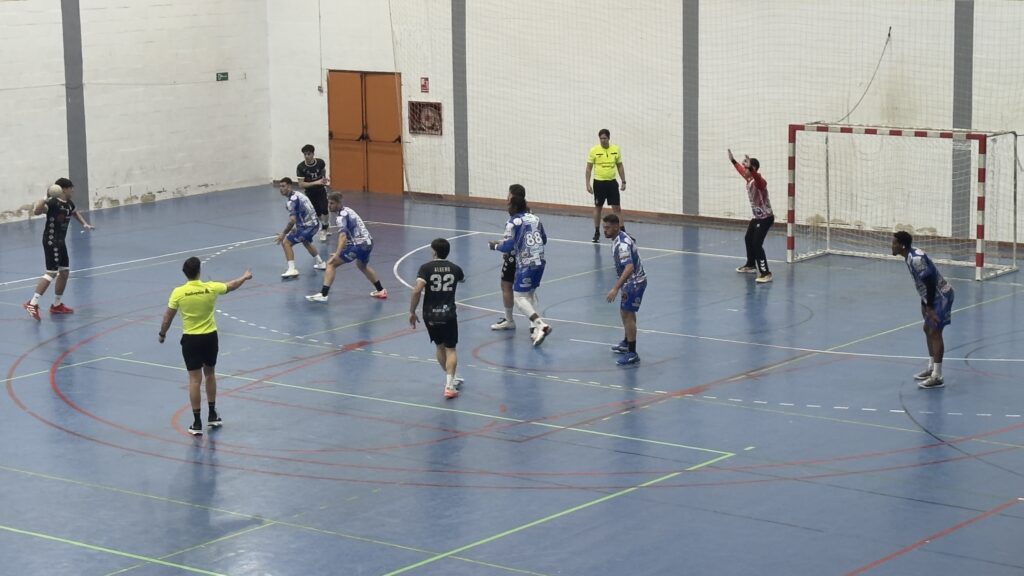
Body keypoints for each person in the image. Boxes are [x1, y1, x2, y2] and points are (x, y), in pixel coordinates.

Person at [159, 257, 252, 435]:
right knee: (210, 375)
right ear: (199, 271)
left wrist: (162, 334)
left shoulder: (178, 292)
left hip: (191, 340)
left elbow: (167, 317)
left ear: (185, 273)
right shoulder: (211, 287)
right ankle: (212, 415)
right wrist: (245, 277)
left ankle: (196, 422)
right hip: (210, 338)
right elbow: (232, 285)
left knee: (194, 380)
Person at [23, 178, 94, 320]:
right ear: (63, 189)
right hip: (51, 241)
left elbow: (74, 212)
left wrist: (84, 224)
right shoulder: (52, 203)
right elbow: (37, 211)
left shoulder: (69, 203)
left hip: (61, 242)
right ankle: (32, 303)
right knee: (51, 273)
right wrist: (45, 198)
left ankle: (56, 305)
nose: (73, 190)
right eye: (71, 188)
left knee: (65, 272)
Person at [891, 231, 955, 389]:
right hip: (931, 297)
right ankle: (931, 368)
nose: (892, 246)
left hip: (941, 297)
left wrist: (930, 307)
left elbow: (931, 283)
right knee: (927, 329)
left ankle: (937, 376)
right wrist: (924, 301)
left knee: (935, 332)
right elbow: (925, 282)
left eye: (894, 243)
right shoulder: (910, 255)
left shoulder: (916, 260)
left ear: (902, 245)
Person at [488, 192, 552, 346]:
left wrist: (494, 246)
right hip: (540, 261)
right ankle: (535, 331)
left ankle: (541, 325)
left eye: (509, 205)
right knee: (530, 294)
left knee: (518, 297)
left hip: (526, 263)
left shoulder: (512, 222)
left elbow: (507, 246)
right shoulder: (535, 218)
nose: (507, 208)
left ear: (515, 206)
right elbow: (544, 239)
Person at [409, 238, 465, 399]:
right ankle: (450, 385)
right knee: (451, 349)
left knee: (440, 347)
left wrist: (412, 312)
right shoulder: (455, 268)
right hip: (448, 314)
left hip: (430, 315)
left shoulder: (425, 268)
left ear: (434, 252)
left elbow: (417, 290)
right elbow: (462, 279)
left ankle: (451, 379)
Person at [306, 192, 388, 302]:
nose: (329, 206)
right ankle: (381, 290)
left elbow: (343, 237)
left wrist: (337, 253)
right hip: (368, 243)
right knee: (362, 265)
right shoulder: (349, 210)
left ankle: (323, 294)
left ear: (339, 203)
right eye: (328, 203)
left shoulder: (340, 217)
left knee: (331, 264)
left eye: (332, 203)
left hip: (358, 245)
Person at [603, 214, 647, 365]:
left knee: (627, 314)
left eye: (608, 227)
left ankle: (632, 352)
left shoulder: (621, 244)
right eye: (604, 227)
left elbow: (629, 267)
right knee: (626, 312)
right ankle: (627, 341)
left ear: (616, 227)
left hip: (634, 283)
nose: (605, 231)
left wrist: (615, 288)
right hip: (631, 282)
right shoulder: (620, 237)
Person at [728, 148, 773, 283]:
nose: (743, 169)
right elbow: (740, 170)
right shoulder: (748, 178)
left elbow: (759, 181)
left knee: (757, 244)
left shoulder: (760, 182)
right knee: (748, 239)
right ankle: (751, 265)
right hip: (757, 218)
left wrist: (752, 170)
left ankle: (766, 273)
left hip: (765, 218)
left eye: (746, 167)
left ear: (753, 169)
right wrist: (733, 161)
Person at [490, 184, 527, 331]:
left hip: (514, 256)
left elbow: (511, 240)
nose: (507, 198)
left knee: (506, 285)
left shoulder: (514, 217)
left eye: (509, 195)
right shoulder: (530, 214)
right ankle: (534, 324)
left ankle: (509, 319)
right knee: (529, 290)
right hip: (528, 256)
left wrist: (497, 245)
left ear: (513, 198)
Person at [275, 177, 326, 278]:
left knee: (286, 243)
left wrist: (283, 234)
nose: (281, 189)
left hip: (308, 226)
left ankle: (292, 269)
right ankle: (321, 263)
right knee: (305, 241)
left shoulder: (292, 201)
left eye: (283, 186)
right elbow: (302, 213)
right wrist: (297, 227)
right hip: (314, 224)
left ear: (289, 186)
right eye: (280, 186)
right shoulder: (298, 194)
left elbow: (292, 220)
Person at [586, 128, 626, 243]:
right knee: (598, 207)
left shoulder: (616, 149)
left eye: (605, 138)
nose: (603, 140)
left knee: (617, 208)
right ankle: (597, 232)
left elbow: (620, 166)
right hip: (599, 183)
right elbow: (588, 168)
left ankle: (623, 232)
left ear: (609, 138)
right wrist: (587, 184)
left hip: (612, 183)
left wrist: (623, 181)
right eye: (601, 138)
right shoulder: (594, 150)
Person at [297, 144, 331, 242]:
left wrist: (324, 179)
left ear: (313, 154)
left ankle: (324, 228)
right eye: (305, 154)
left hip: (321, 190)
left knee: (324, 209)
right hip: (310, 192)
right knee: (317, 212)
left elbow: (323, 170)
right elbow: (301, 184)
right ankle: (325, 225)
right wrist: (317, 182)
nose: (307, 156)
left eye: (309, 154)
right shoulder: (301, 167)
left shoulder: (320, 162)